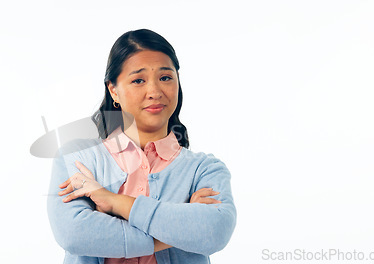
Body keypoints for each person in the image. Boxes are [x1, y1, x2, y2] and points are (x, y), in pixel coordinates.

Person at [47, 29, 236, 264]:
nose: (155, 92)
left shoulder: (205, 168)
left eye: (166, 77)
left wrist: (112, 200)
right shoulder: (78, 157)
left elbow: (214, 233)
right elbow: (74, 234)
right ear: (113, 90)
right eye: (138, 80)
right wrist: (175, 233)